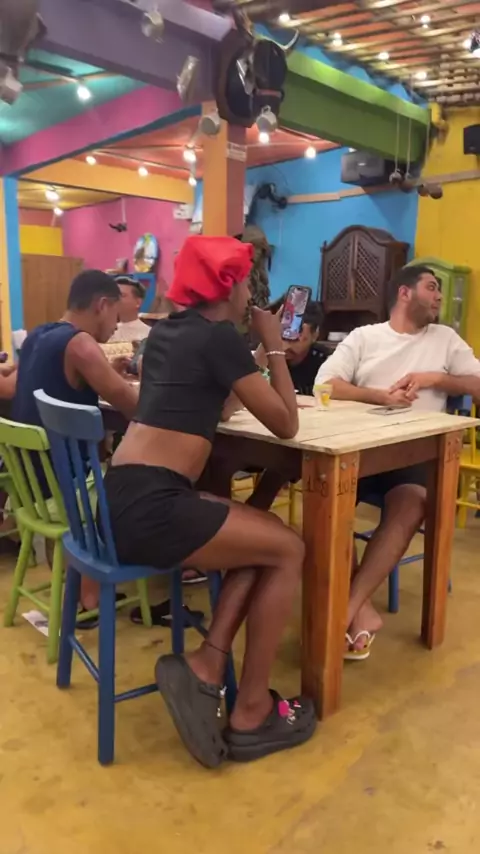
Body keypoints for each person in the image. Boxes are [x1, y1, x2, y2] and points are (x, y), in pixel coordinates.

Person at [103, 235, 316, 767]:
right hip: (155, 507)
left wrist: (246, 361)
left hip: (121, 495)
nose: (249, 293)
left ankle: (208, 663)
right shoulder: (220, 337)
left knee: (260, 538)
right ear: (229, 286)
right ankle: (252, 711)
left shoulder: (166, 333)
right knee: (289, 549)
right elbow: (287, 425)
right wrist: (272, 345)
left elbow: (212, 405)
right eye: (244, 281)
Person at [315, 264, 480, 658]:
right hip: (356, 449)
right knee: (327, 504)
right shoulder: (365, 337)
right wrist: (379, 397)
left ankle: (346, 609)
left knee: (412, 502)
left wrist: (434, 379)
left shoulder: (445, 339)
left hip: (415, 454)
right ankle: (359, 611)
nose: (439, 296)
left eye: (440, 289)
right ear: (405, 293)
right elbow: (325, 384)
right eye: (431, 287)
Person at [12, 270, 139, 613]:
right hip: (66, 493)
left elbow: (63, 379)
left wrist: (107, 371)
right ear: (102, 305)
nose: (116, 327)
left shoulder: (38, 335)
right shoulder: (81, 344)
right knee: (138, 486)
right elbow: (134, 407)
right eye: (116, 317)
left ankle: (75, 578)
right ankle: (90, 594)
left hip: (31, 489)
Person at [108, 276, 151, 343]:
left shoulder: (148, 334)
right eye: (114, 295)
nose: (116, 299)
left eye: (122, 295)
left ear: (138, 302)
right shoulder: (106, 332)